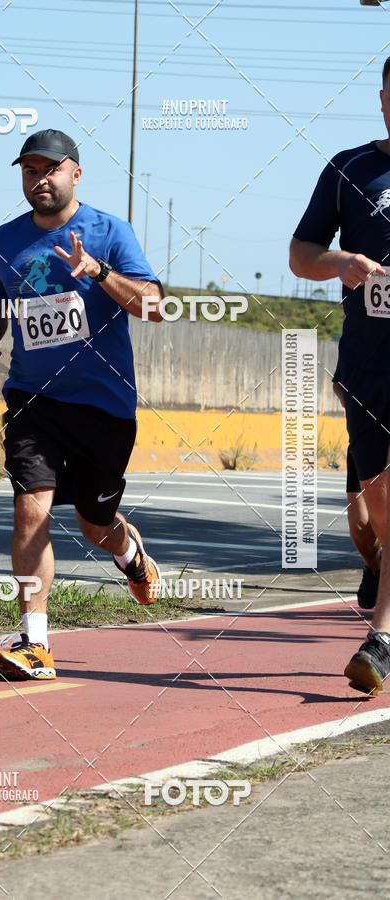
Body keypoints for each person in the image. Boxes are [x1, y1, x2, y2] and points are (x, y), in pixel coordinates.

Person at [0, 129, 163, 681]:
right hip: (33, 398)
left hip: (103, 405)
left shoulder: (110, 232)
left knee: (94, 523)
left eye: (50, 169)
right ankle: (35, 644)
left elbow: (153, 306)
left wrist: (99, 273)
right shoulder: (7, 241)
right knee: (31, 506)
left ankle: (130, 556)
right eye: (30, 170)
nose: (39, 179)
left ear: (75, 173)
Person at [289, 55, 390, 695]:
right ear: (382, 99)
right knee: (374, 505)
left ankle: (380, 640)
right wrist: (341, 262)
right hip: (368, 364)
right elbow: (300, 256)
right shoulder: (349, 169)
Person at [332, 384, 381, 609]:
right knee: (361, 527)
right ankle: (375, 567)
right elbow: (339, 383)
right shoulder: (360, 348)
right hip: (366, 437)